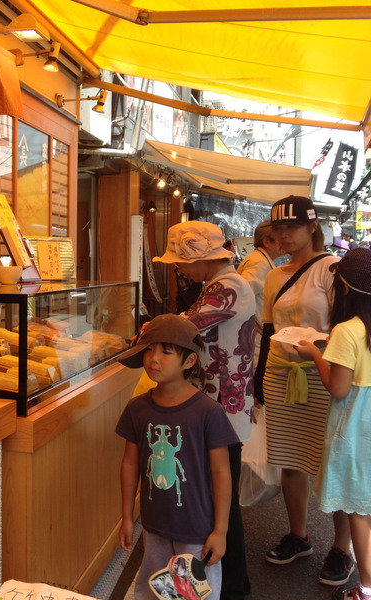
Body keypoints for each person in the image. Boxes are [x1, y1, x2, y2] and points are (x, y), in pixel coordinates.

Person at [154, 220, 256, 600]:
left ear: (201, 258)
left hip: (222, 410)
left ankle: (231, 588)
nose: (178, 269)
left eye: (180, 261)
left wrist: (149, 333)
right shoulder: (219, 284)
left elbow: (183, 330)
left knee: (220, 502)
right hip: (221, 405)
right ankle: (233, 584)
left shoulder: (227, 287)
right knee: (219, 498)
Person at [254, 195, 352, 586]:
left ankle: (342, 548)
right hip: (280, 374)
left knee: (331, 462)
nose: (283, 235)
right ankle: (299, 536)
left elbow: (346, 330)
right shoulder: (276, 274)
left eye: (291, 227)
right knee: (289, 460)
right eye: (277, 228)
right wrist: (258, 382)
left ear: (312, 226)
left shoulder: (333, 270)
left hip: (323, 372)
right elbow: (265, 330)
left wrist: (317, 345)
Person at [117, 314, 238, 600]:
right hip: (154, 523)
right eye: (148, 349)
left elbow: (222, 472)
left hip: (197, 528)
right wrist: (125, 517)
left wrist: (220, 529)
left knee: (194, 593)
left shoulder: (208, 412)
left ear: (189, 361)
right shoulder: (137, 409)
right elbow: (130, 463)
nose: (153, 358)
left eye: (165, 351)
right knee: (154, 590)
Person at [295, 248, 371, 600]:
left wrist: (315, 354)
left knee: (358, 511)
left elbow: (338, 389)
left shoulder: (348, 331)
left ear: (344, 289)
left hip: (357, 433)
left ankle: (366, 588)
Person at [237, 220, 286, 360]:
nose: (285, 241)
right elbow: (242, 296)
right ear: (267, 241)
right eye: (279, 238)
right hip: (255, 337)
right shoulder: (258, 262)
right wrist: (253, 324)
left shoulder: (261, 260)